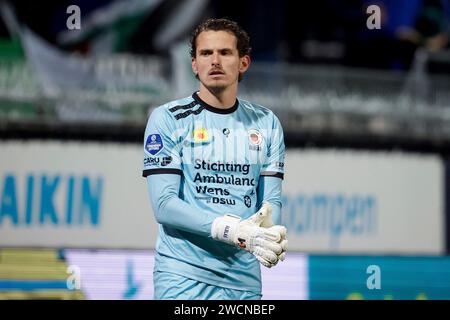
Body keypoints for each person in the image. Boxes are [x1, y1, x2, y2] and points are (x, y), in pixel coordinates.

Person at [142, 18, 288, 300]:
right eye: (206, 53)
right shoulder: (167, 119)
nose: (215, 61)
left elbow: (271, 203)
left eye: (225, 52)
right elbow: (164, 205)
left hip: (243, 282)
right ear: (194, 64)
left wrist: (269, 236)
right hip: (183, 276)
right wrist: (232, 230)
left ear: (243, 63)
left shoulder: (267, 123)